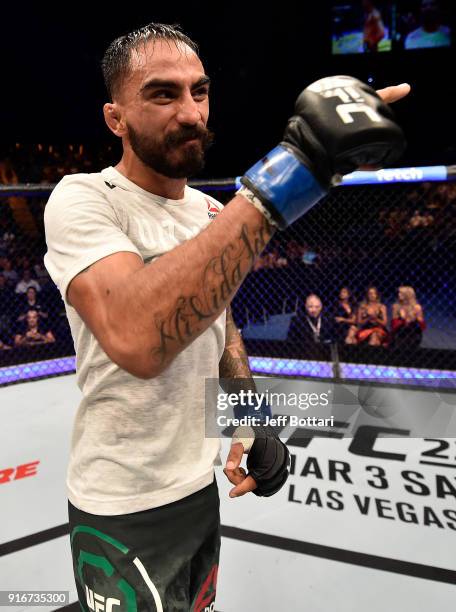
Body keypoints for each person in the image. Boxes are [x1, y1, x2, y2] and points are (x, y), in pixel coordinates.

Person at [43, 23, 408, 610]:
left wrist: (253, 423)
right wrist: (295, 170)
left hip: (197, 486)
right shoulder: (86, 199)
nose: (190, 112)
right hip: (121, 499)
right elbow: (137, 340)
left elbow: (222, 331)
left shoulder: (211, 211)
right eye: (163, 95)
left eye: (200, 91)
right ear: (115, 118)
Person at [391, 286, 425, 350]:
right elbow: (393, 326)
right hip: (399, 332)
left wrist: (416, 318)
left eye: (401, 293)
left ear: (407, 294)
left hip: (413, 332)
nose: (399, 295)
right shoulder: (396, 306)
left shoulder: (417, 307)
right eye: (399, 293)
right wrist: (402, 319)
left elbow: (423, 327)